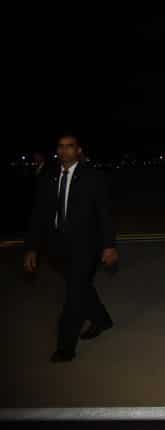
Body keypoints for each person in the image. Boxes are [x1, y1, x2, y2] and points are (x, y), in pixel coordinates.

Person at [24, 133, 118, 362]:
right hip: (57, 247)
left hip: (86, 246)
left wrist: (109, 246)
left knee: (74, 296)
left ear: (79, 150)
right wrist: (32, 248)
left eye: (70, 146)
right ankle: (102, 319)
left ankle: (65, 348)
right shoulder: (50, 177)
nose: (64, 150)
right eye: (61, 146)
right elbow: (38, 215)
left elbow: (104, 214)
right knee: (82, 287)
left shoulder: (93, 177)